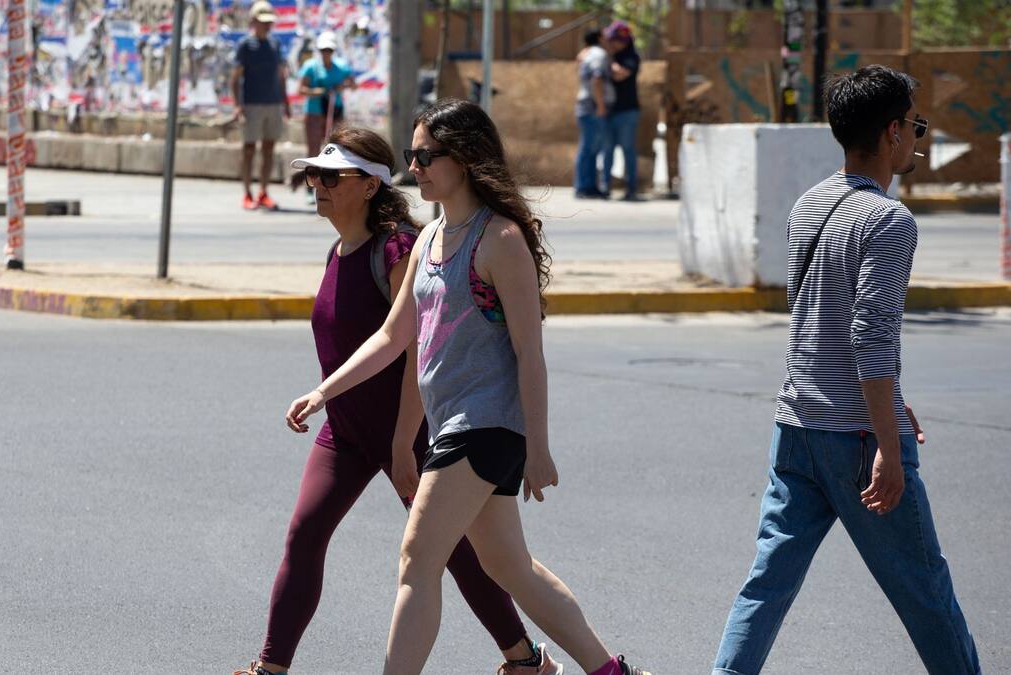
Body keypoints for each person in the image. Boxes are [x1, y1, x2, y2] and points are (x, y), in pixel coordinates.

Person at [285, 99, 651, 675]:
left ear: (465, 159)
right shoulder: (430, 238)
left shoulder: (500, 239)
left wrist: (538, 446)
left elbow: (531, 353)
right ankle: (610, 671)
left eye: (427, 156)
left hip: (484, 427)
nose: (416, 167)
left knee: (417, 558)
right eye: (412, 155)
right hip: (456, 423)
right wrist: (324, 391)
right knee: (510, 567)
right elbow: (390, 336)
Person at [235, 126, 555, 675]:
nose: (318, 185)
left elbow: (411, 349)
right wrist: (321, 396)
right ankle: (271, 668)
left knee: (454, 551)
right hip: (347, 430)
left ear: (370, 185)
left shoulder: (399, 248)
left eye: (332, 177)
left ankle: (524, 660)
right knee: (304, 534)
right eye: (314, 175)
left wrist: (405, 441)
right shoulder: (339, 248)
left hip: (407, 432)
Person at [711, 65, 981, 675]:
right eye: (914, 125)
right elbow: (869, 333)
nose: (916, 136)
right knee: (926, 592)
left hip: (796, 431)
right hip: (856, 438)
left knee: (765, 587)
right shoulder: (889, 220)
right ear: (891, 132)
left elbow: (813, 319)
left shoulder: (808, 204)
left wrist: (892, 402)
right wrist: (888, 437)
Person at [229, 1, 290, 211]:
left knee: (268, 149)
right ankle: (247, 193)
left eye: (269, 22)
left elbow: (281, 76)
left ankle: (264, 192)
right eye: (263, 22)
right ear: (253, 21)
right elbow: (235, 78)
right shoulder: (246, 45)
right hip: (252, 105)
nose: (267, 26)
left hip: (273, 104)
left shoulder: (275, 45)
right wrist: (237, 105)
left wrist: (286, 103)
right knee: (248, 150)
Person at [297, 32, 355, 205]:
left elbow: (353, 83)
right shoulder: (310, 67)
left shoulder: (341, 67)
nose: (326, 53)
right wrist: (319, 91)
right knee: (314, 150)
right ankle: (310, 187)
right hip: (315, 112)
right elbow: (301, 89)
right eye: (323, 50)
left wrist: (341, 86)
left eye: (329, 50)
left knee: (336, 149)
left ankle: (333, 185)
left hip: (335, 111)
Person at [600, 21, 641, 201]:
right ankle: (605, 186)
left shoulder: (630, 56)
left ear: (621, 41)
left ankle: (631, 188)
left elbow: (620, 74)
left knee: (627, 150)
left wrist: (609, 61)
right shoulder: (612, 56)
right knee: (607, 150)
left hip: (627, 111)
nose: (610, 43)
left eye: (612, 40)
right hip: (610, 111)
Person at [574, 28, 613, 199]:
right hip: (593, 108)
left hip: (586, 107)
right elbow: (597, 78)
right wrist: (601, 105)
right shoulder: (599, 54)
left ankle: (587, 186)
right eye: (605, 37)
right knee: (590, 149)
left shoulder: (586, 54)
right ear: (598, 38)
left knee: (589, 149)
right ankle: (585, 186)